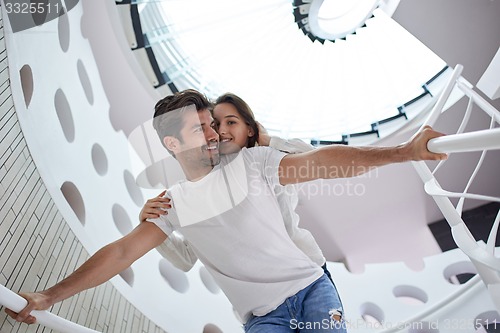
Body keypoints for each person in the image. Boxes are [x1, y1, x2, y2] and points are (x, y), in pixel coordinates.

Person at [5, 89, 447, 332]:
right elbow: (121, 254)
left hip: (312, 288)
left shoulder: (253, 163)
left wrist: (403, 152)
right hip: (261, 318)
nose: (214, 133)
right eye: (200, 128)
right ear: (172, 145)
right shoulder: (172, 203)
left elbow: (323, 163)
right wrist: (48, 296)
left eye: (213, 124)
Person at [140, 92, 330, 281]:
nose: (219, 132)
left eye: (231, 122)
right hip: (266, 290)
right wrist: (151, 220)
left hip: (308, 268)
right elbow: (186, 259)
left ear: (249, 128)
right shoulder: (211, 186)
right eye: (216, 124)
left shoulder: (270, 159)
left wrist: (268, 140)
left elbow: (321, 161)